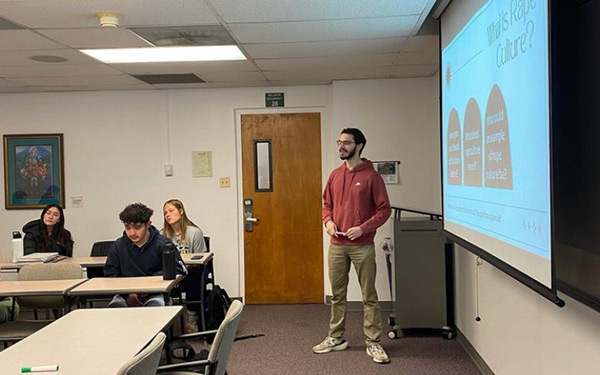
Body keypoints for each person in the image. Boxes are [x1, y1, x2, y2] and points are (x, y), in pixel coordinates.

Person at [312, 128, 392, 364]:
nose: (341, 146)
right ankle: (336, 337)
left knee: (369, 296)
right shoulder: (335, 175)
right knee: (337, 295)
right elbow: (326, 204)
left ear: (359, 146)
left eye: (346, 142)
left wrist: (363, 228)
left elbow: (384, 210)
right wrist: (328, 222)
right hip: (337, 244)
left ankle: (374, 342)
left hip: (362, 245)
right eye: (339, 142)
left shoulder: (372, 177)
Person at [104, 202, 186, 308]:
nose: (132, 233)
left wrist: (148, 287)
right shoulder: (118, 246)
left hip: (156, 292)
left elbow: (179, 271)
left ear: (148, 224)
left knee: (155, 306)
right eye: (127, 228)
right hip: (125, 294)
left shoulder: (164, 244)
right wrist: (128, 294)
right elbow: (110, 274)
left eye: (137, 227)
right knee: (114, 308)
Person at [162, 199, 207, 332]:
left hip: (191, 271)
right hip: (172, 272)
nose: (167, 215)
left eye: (171, 211)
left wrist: (183, 269)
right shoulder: (162, 235)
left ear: (181, 211)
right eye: (165, 213)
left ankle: (192, 315)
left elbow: (201, 259)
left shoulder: (194, 232)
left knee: (195, 274)